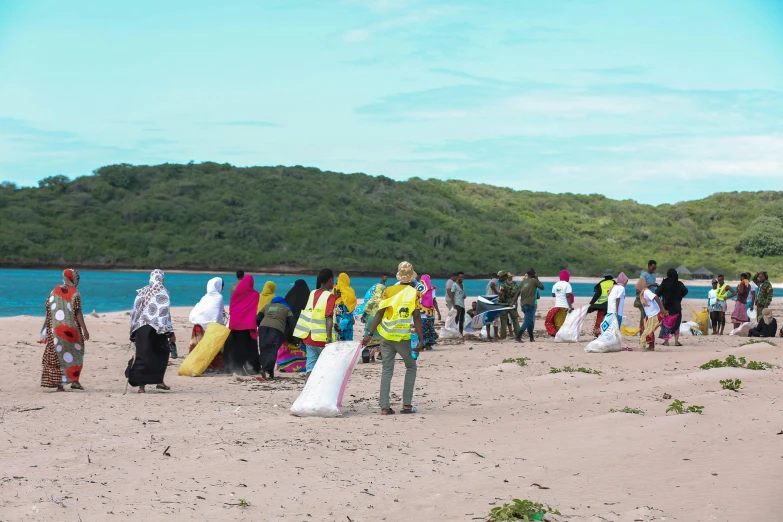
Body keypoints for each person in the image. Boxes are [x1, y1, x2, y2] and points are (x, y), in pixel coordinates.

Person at [362, 261, 423, 415]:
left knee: (387, 370)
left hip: (386, 335)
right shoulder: (414, 293)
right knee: (411, 366)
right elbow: (416, 317)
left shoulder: (388, 290)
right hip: (402, 337)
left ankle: (384, 407)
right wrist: (421, 339)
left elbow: (379, 313)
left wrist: (369, 334)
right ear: (411, 278)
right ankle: (407, 405)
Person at [41, 269, 90, 391]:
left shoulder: (54, 291)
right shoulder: (75, 293)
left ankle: (60, 385)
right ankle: (74, 381)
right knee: (75, 354)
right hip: (72, 331)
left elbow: (48, 309)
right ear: (73, 278)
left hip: (55, 330)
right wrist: (85, 329)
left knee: (58, 356)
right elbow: (78, 312)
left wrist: (46, 330)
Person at [126, 269, 174, 393]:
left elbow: (135, 312)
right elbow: (164, 315)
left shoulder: (143, 291)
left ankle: (143, 387)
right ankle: (158, 380)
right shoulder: (162, 292)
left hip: (141, 328)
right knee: (160, 354)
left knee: (143, 355)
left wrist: (133, 331)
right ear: (161, 278)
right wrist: (170, 333)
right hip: (156, 329)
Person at [293, 269, 337, 377]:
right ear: (330, 280)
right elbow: (328, 317)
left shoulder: (313, 293)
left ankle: (308, 391)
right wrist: (329, 337)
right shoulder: (329, 296)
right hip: (322, 339)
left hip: (308, 337)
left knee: (310, 369)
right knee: (324, 370)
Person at [223, 274, 261, 374]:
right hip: (247, 325)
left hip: (235, 324)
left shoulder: (235, 294)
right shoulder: (255, 294)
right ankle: (252, 368)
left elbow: (232, 308)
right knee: (249, 347)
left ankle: (234, 367)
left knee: (236, 346)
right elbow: (253, 309)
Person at [188, 277, 225, 371]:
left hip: (198, 327)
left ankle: (195, 366)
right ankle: (213, 367)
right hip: (210, 328)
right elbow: (218, 315)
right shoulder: (219, 297)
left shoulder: (205, 298)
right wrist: (220, 325)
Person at [256, 296, 295, 380]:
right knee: (272, 350)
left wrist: (261, 326)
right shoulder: (286, 308)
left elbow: (258, 318)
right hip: (276, 329)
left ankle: (270, 373)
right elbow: (292, 323)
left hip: (263, 328)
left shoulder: (267, 306)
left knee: (264, 349)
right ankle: (265, 369)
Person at [276, 279, 310, 373]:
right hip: (302, 330)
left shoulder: (289, 296)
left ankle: (284, 365)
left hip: (287, 331)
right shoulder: (308, 298)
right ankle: (301, 366)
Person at [656, 268, 689, 346]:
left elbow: (657, 292)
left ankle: (666, 342)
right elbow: (685, 291)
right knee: (676, 324)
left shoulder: (664, 283)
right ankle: (676, 342)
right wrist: (679, 296)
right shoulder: (679, 284)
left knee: (666, 324)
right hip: (677, 307)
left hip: (666, 308)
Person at [638, 278, 668, 351]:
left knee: (647, 332)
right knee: (648, 329)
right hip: (650, 315)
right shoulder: (643, 293)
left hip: (654, 314)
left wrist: (662, 309)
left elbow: (656, 297)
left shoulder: (646, 292)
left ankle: (642, 347)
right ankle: (651, 346)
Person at [516, 268, 544, 342]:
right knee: (527, 321)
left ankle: (531, 338)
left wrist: (513, 302)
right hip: (530, 304)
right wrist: (537, 279)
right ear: (533, 274)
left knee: (530, 321)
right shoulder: (534, 281)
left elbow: (517, 293)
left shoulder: (523, 282)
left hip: (523, 304)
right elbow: (542, 287)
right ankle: (518, 336)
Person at [545, 270, 573, 337]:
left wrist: (559, 294)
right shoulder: (567, 284)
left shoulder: (556, 284)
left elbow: (553, 295)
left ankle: (558, 335)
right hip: (564, 307)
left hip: (557, 307)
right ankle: (561, 336)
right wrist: (570, 306)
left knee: (557, 322)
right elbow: (568, 296)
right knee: (563, 322)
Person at [588, 269, 615, 337]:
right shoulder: (614, 283)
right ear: (612, 276)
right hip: (611, 306)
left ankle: (597, 334)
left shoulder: (601, 284)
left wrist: (591, 304)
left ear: (605, 276)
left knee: (599, 320)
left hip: (602, 306)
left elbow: (596, 295)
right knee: (609, 320)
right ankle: (608, 333)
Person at [418, 274, 441, 350]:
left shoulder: (421, 289)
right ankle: (426, 344)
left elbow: (434, 301)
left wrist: (438, 312)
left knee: (425, 328)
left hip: (424, 312)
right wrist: (438, 312)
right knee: (427, 328)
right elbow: (434, 301)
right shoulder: (430, 289)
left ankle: (425, 344)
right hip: (428, 312)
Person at [634, 261, 659, 330]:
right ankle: (642, 330)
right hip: (644, 298)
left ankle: (648, 331)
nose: (654, 270)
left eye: (655, 268)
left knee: (651, 316)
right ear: (649, 266)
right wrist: (652, 284)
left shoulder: (653, 276)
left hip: (651, 299)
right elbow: (640, 287)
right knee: (644, 316)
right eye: (653, 268)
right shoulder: (644, 275)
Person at [334, 273, 358, 341]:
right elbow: (350, 307)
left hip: (338, 319)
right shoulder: (350, 291)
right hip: (347, 319)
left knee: (338, 340)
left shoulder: (335, 290)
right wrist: (352, 317)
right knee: (347, 340)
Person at [497, 271, 520, 339]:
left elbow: (502, 296)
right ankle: (518, 335)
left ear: (505, 277)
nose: (500, 279)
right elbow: (518, 293)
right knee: (515, 320)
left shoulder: (504, 285)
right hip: (513, 304)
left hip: (505, 304)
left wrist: (500, 303)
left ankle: (503, 335)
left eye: (501, 277)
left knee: (503, 320)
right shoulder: (515, 284)